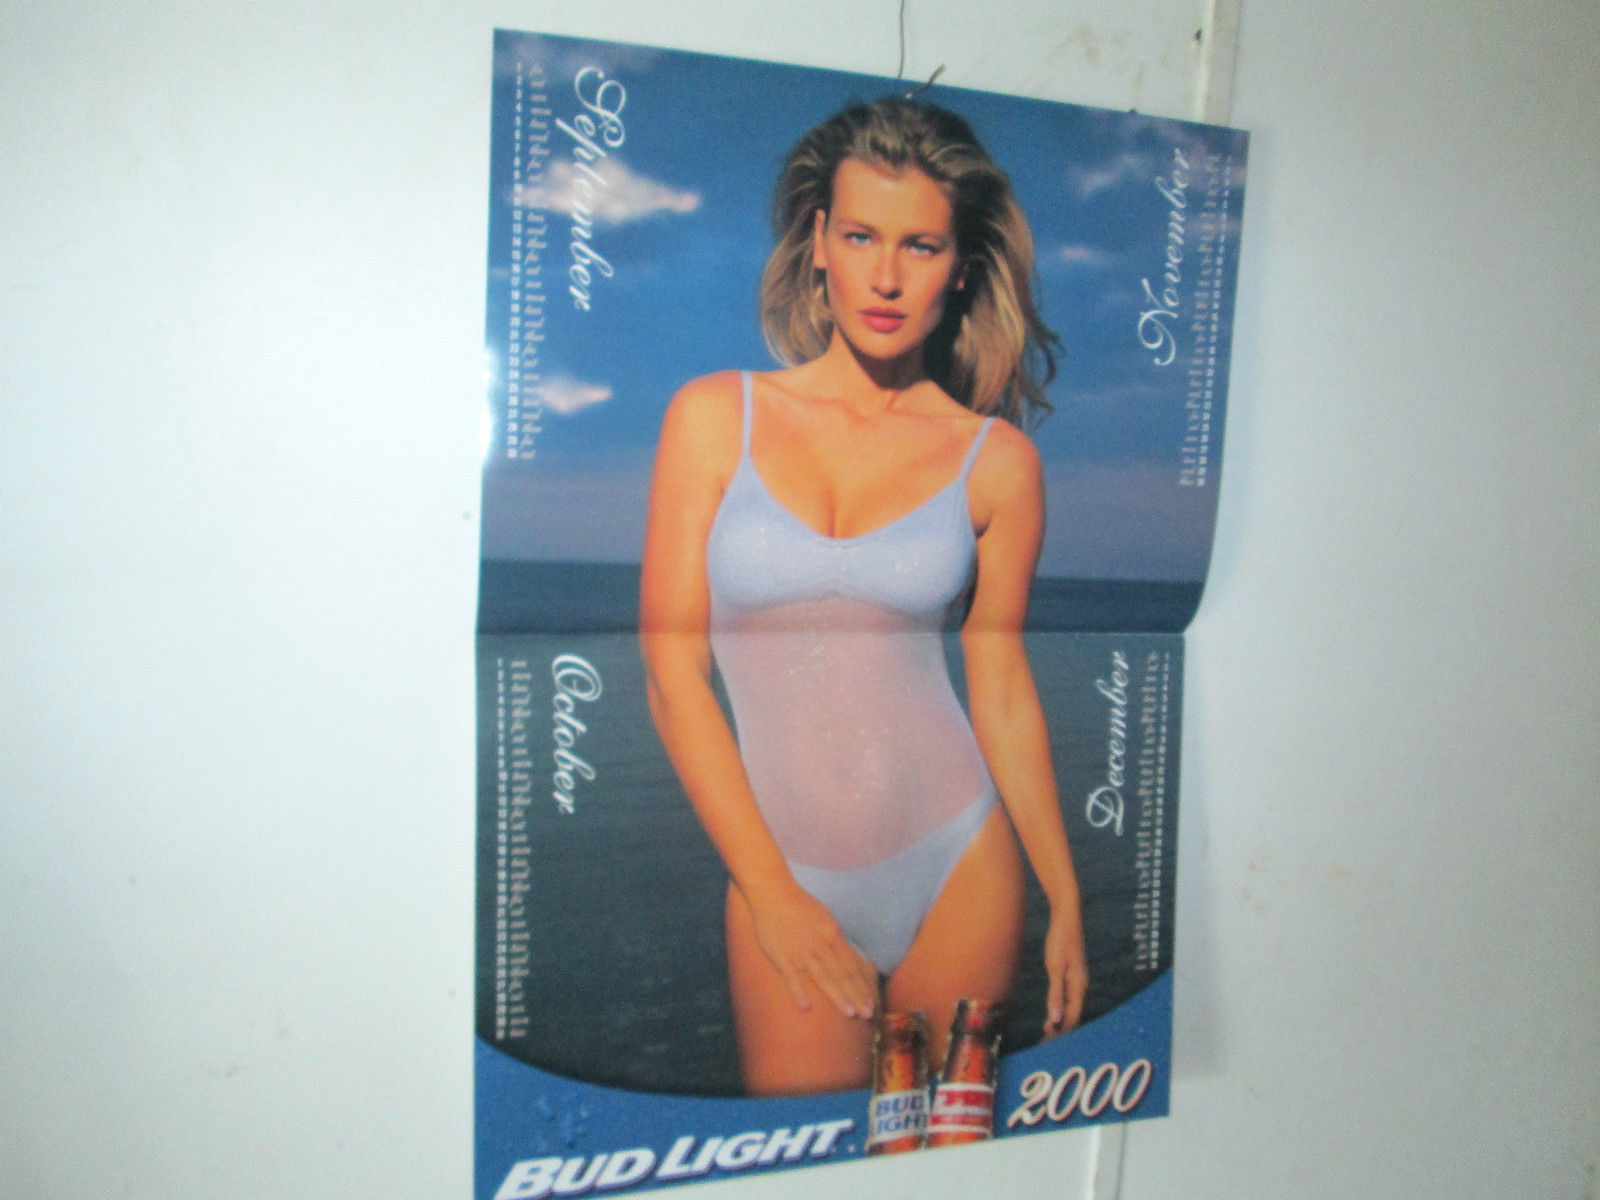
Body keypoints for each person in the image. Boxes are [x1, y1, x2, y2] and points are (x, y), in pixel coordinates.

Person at [640, 98, 1086, 1096]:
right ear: (818, 243)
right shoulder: (713, 418)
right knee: (796, 1154)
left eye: (920, 245)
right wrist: (770, 891)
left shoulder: (996, 463)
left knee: (944, 1159)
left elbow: (1001, 687)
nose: (886, 277)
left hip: (960, 863)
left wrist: (1065, 898)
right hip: (784, 871)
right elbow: (672, 671)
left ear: (959, 265)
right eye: (860, 237)